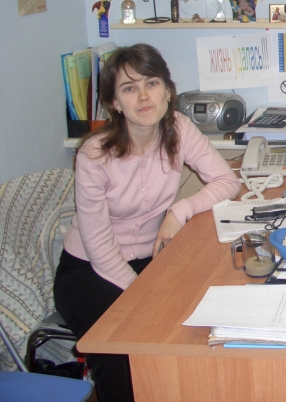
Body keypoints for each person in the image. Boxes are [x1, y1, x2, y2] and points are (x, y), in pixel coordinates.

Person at [53, 44, 240, 402]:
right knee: (120, 344)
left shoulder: (179, 129)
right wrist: (144, 294)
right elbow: (100, 248)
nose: (143, 96)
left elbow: (226, 181)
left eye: (152, 83)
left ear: (168, 91)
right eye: (129, 88)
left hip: (152, 259)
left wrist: (180, 210)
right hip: (88, 270)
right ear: (114, 103)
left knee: (199, 321)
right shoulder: (94, 155)